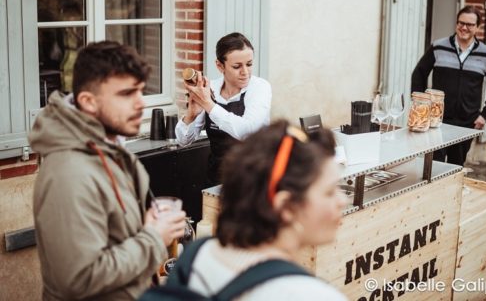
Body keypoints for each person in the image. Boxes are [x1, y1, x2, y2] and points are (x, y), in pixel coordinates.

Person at [29, 41, 187, 300]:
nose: (140, 103)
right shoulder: (69, 174)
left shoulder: (111, 146)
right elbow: (78, 280)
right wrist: (153, 238)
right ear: (88, 102)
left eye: (140, 91)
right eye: (126, 94)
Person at [178, 120, 348, 300]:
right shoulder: (312, 295)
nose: (342, 200)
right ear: (286, 206)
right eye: (329, 192)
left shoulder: (196, 254)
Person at [411, 5, 486, 166]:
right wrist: (421, 107)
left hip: (467, 122)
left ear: (478, 27)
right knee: (434, 166)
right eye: (461, 23)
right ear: (456, 24)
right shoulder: (438, 47)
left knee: (456, 166)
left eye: (470, 24)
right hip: (436, 121)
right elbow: (419, 74)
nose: (464, 27)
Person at [175, 32, 272, 185]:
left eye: (249, 64)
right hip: (217, 180)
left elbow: (247, 131)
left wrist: (208, 105)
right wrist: (191, 115)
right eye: (237, 66)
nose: (245, 72)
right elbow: (183, 141)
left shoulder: (260, 88)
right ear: (220, 66)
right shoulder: (211, 88)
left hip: (254, 182)